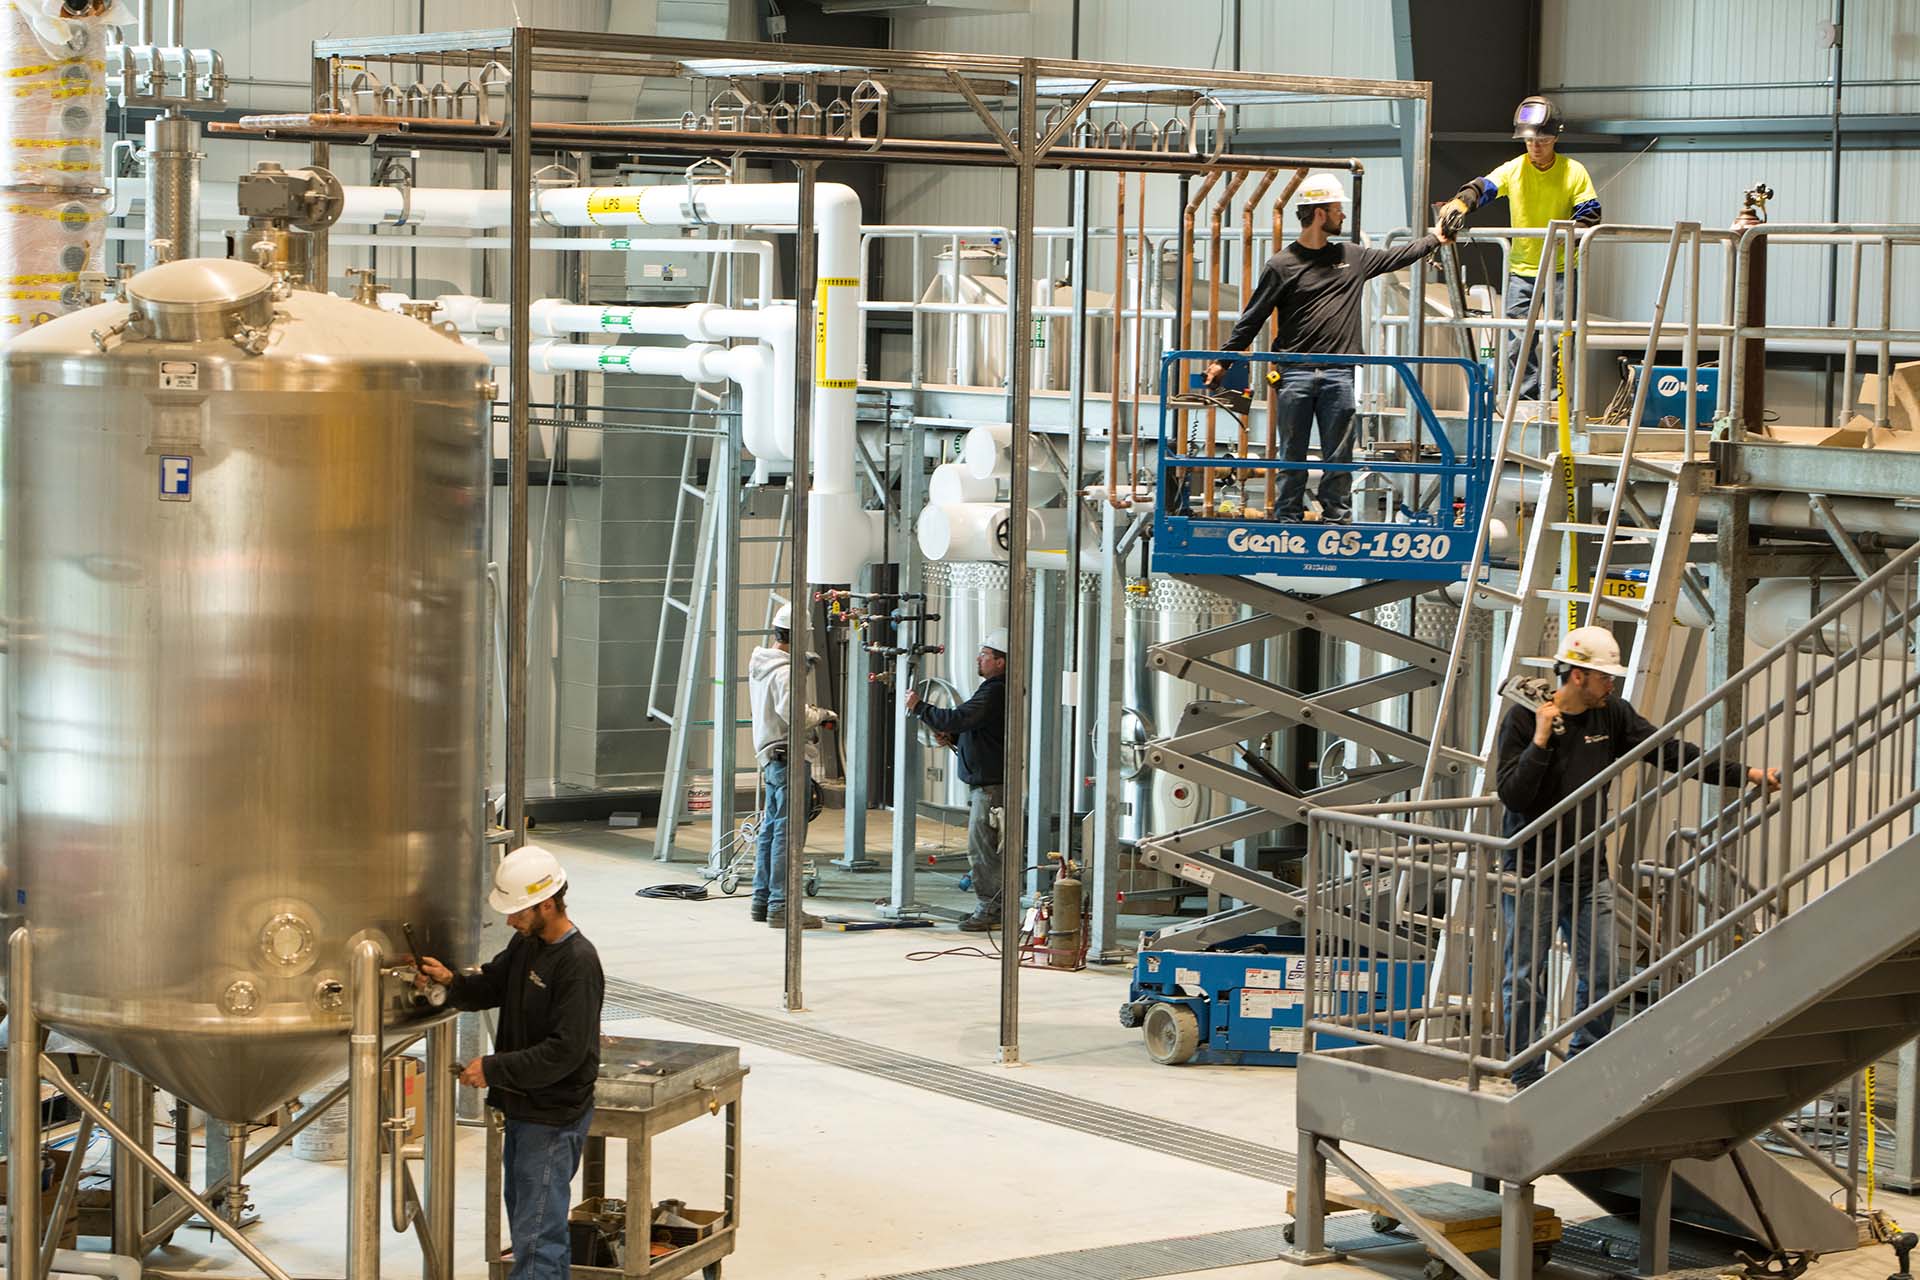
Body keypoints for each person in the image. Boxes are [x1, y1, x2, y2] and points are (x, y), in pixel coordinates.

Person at [1494, 626, 1779, 1087]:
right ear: (1578, 675)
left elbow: (1670, 752)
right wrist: (1542, 741)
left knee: (1604, 975)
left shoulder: (1613, 716)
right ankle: (1525, 1072)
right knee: (1525, 978)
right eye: (1605, 677)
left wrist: (1745, 774)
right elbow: (1515, 795)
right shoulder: (1524, 721)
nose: (1613, 685)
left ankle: (1584, 1064)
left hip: (1589, 871)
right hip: (1532, 872)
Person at [1204, 173, 1446, 523]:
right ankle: (1288, 518)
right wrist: (1222, 362)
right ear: (1319, 214)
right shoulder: (1282, 265)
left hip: (1339, 373)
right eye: (1336, 209)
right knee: (1292, 453)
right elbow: (1253, 317)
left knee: (1340, 454)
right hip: (1294, 373)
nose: (1342, 216)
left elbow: (1398, 256)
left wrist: (1436, 237)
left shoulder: (1353, 257)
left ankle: (1336, 517)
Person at [415, 845, 605, 1280]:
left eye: (518, 911)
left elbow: (566, 1051)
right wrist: (452, 982)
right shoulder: (527, 945)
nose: (509, 920)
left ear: (547, 903)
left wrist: (494, 1068)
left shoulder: (577, 963)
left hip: (552, 1116)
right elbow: (493, 986)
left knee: (538, 1238)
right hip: (524, 1108)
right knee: (530, 1229)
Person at [1439, 95, 1601, 401]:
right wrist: (1461, 203)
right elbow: (1485, 187)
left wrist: (1573, 231)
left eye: (1541, 139)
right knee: (1518, 340)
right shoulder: (1514, 169)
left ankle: (1555, 402)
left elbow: (1590, 212)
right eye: (1529, 141)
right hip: (1521, 270)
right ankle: (1524, 401)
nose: (1535, 146)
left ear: (1555, 137)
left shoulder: (1574, 171)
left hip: (1562, 269)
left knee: (1561, 338)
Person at [904, 629, 1007, 931]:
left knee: (983, 850)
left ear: (1000, 662)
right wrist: (954, 737)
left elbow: (960, 718)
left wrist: (920, 707)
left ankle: (990, 910)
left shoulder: (995, 691)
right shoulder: (992, 689)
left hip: (991, 788)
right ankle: (992, 907)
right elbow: (975, 729)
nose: (979, 658)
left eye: (985, 655)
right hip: (986, 785)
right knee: (984, 849)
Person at [747, 602, 834, 930]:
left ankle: (762, 899)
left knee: (771, 828)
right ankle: (783, 906)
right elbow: (795, 714)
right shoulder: (785, 672)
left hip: (771, 757)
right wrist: (823, 715)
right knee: (788, 833)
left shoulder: (763, 664)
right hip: (788, 757)